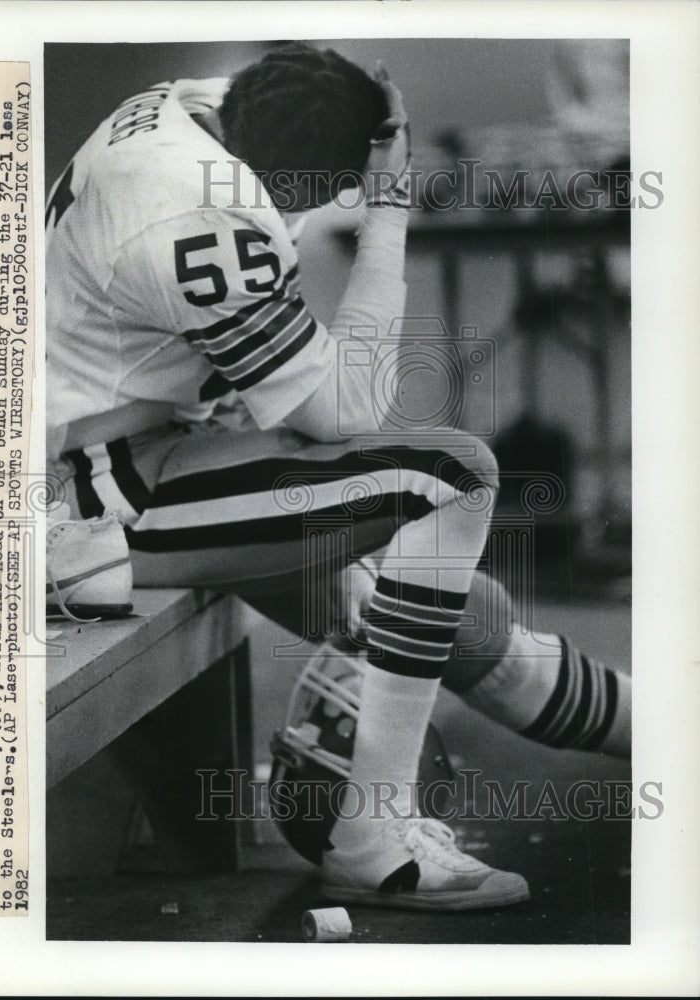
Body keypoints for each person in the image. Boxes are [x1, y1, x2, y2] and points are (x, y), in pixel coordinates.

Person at [46, 42, 630, 911]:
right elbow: (344, 410)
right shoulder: (192, 211)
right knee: (453, 473)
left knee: (460, 621)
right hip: (88, 499)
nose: (324, 208)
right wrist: (388, 210)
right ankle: (371, 837)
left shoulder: (202, 106)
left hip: (157, 441)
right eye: (323, 193)